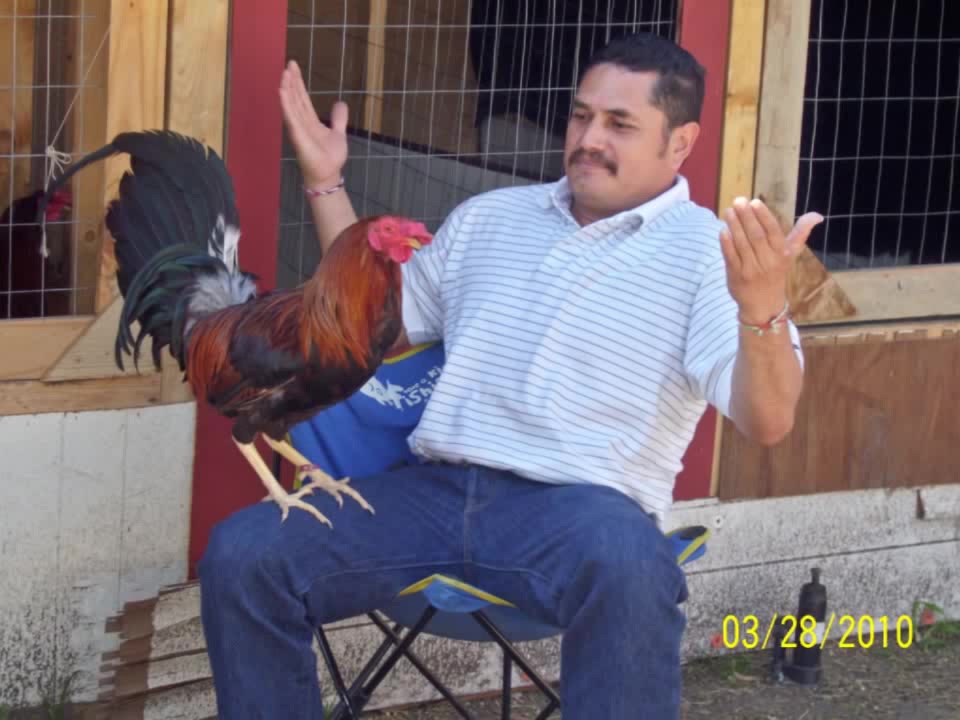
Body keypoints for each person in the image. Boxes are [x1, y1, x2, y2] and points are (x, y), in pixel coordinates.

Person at [198, 32, 819, 719]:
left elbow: (769, 420)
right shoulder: (490, 218)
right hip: (430, 492)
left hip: (581, 513)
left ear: (681, 143)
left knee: (634, 567)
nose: (588, 139)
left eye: (619, 124)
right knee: (244, 554)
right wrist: (326, 181)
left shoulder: (709, 255)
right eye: (581, 115)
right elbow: (373, 321)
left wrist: (761, 309)